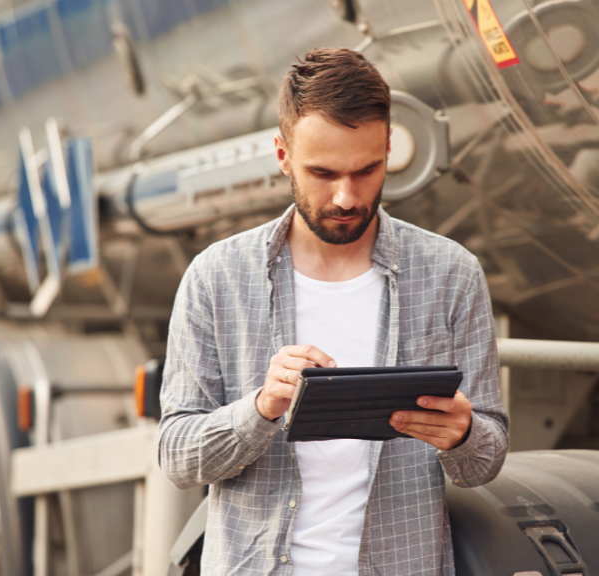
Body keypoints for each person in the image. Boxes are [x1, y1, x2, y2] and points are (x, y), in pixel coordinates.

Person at [158, 47, 508, 576]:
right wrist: (260, 409)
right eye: (322, 173)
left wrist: (462, 435)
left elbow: (487, 458)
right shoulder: (216, 277)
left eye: (366, 170)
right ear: (282, 155)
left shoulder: (451, 274)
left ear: (390, 148)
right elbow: (178, 457)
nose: (346, 197)